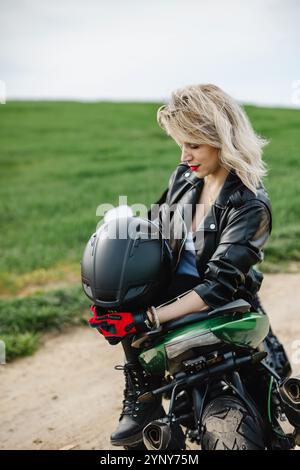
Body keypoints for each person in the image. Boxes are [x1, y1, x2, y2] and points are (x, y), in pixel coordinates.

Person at [105, 83, 291, 447]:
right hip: (169, 299)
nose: (183, 155)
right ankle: (140, 395)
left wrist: (151, 318)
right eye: (180, 144)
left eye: (193, 144)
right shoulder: (185, 178)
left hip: (223, 308)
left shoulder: (249, 204)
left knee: (273, 423)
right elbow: (153, 232)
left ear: (222, 138)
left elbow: (219, 285)